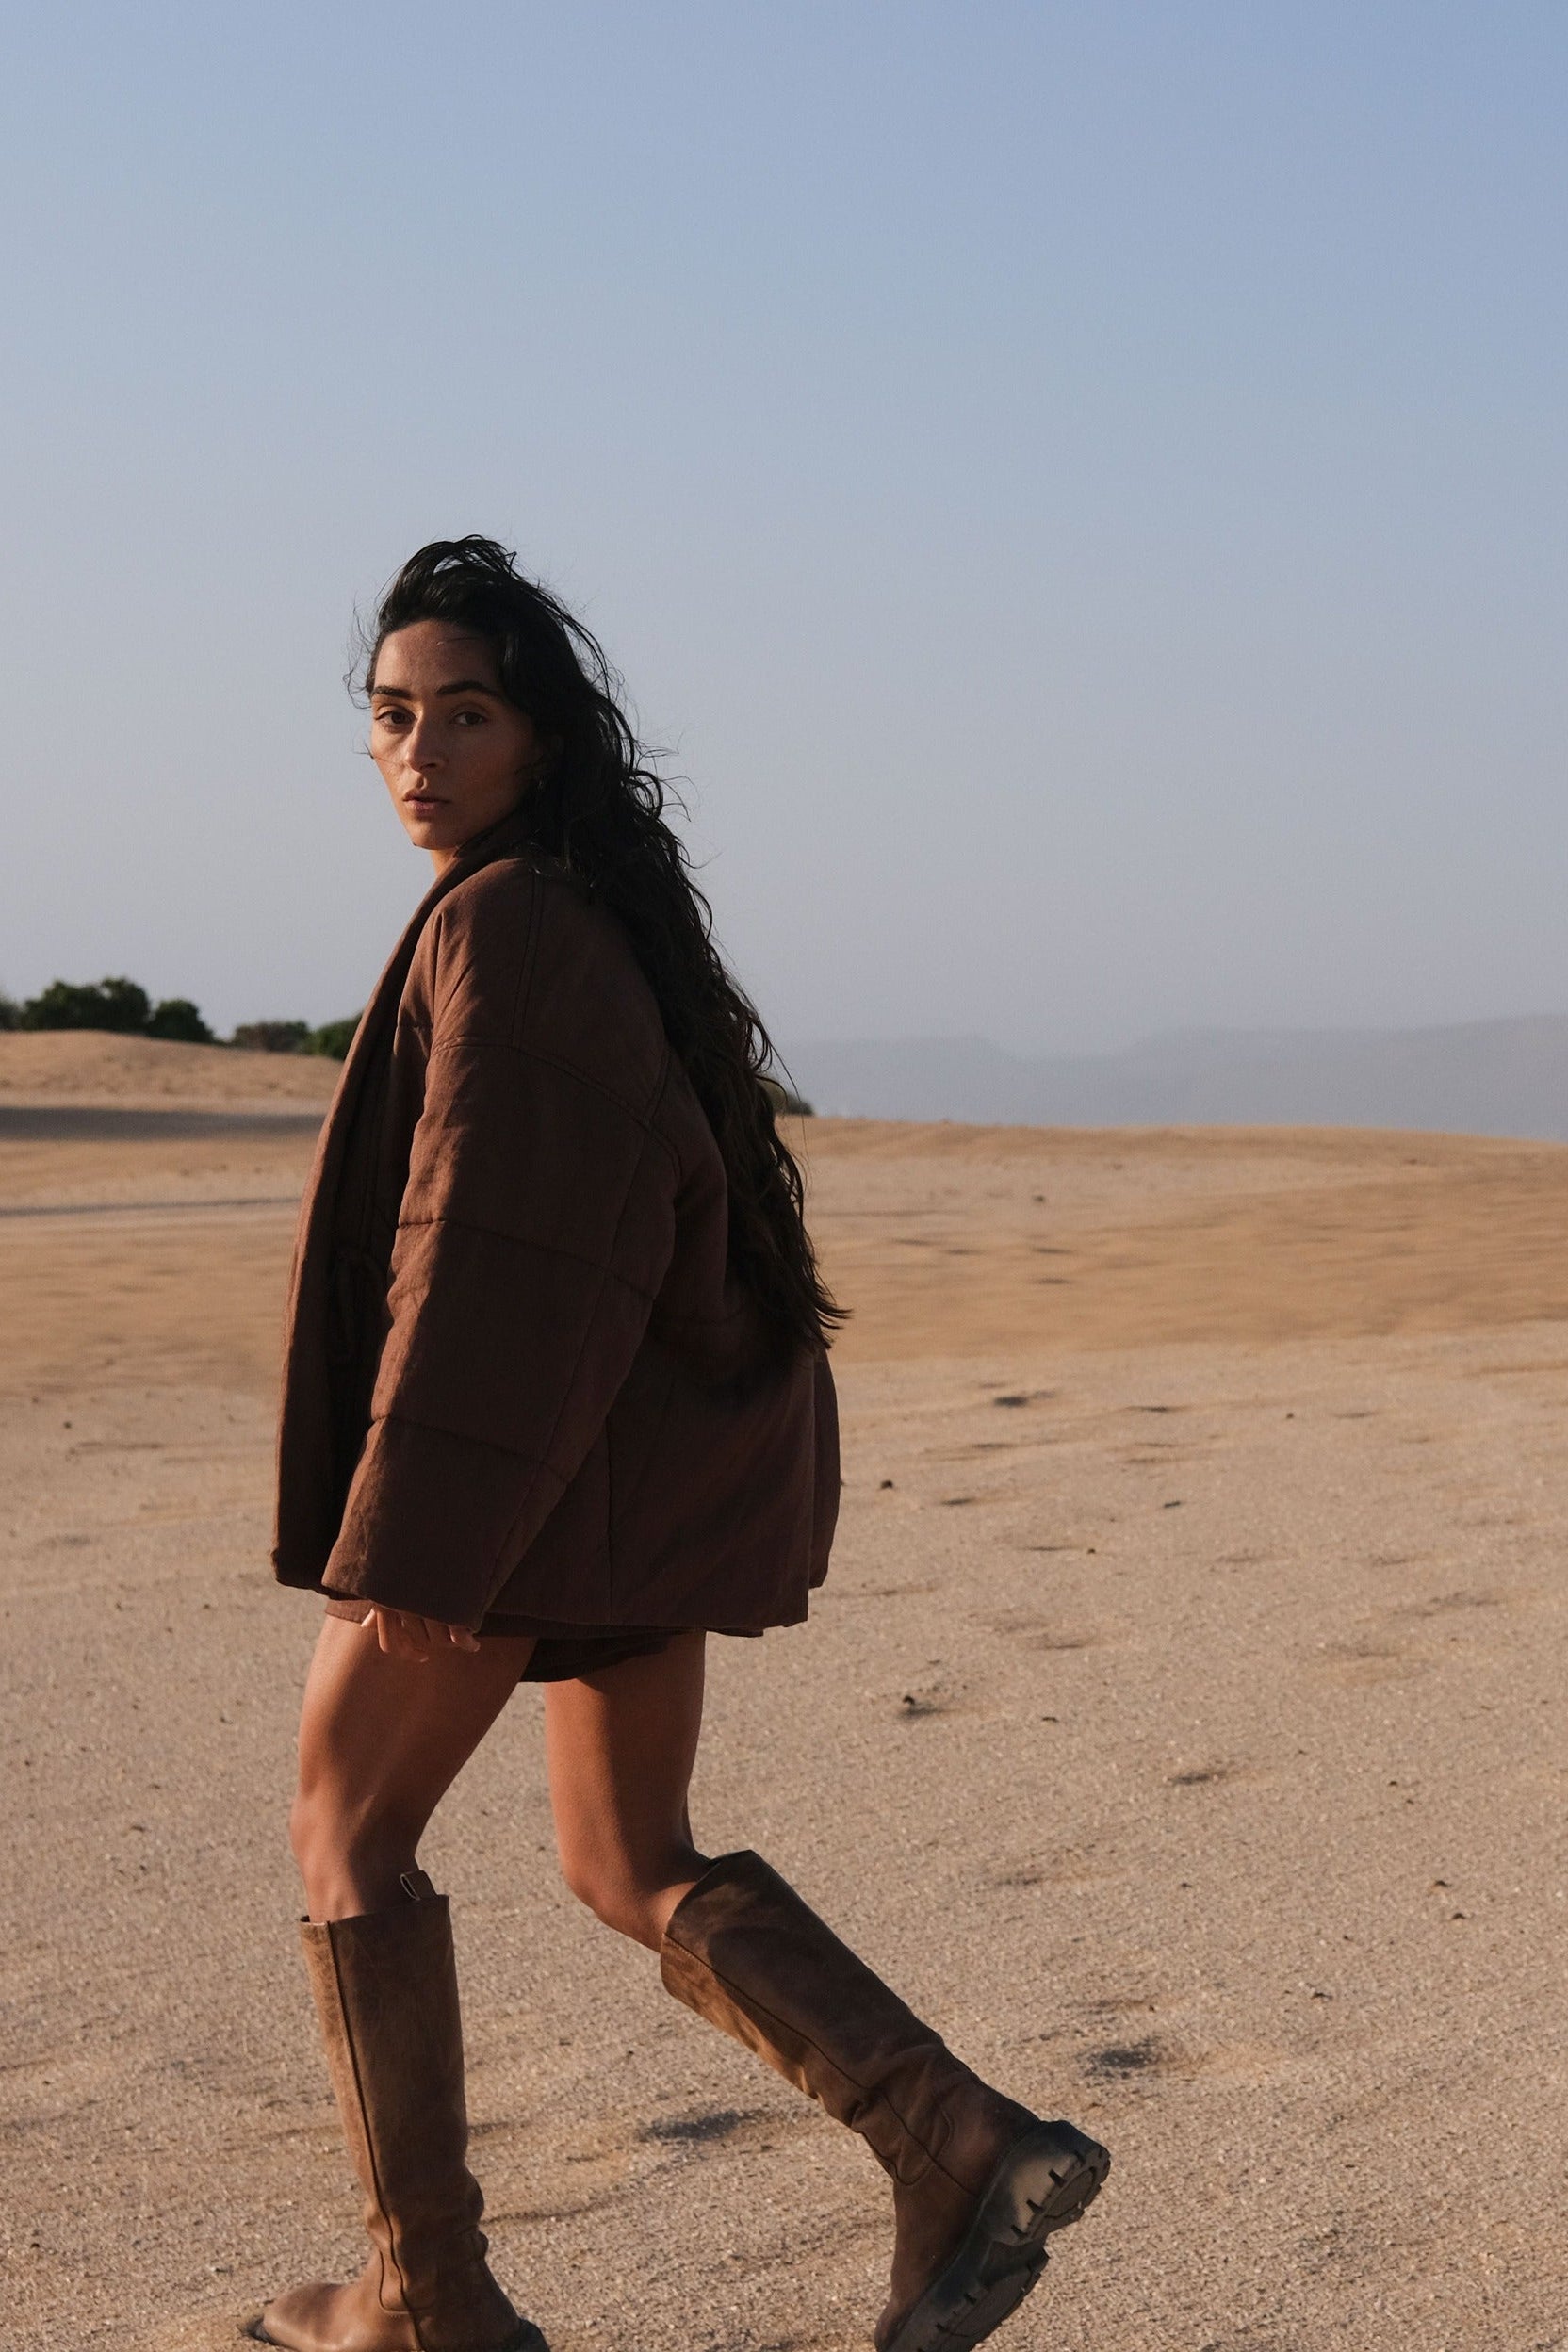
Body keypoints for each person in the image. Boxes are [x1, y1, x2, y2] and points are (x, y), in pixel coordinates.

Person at [249, 537, 1108, 2352]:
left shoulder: (511, 925)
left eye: (462, 717)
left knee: (345, 1824)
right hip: (619, 1472)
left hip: (537, 1477)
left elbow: (498, 1257)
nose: (418, 754)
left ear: (539, 740)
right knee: (626, 1854)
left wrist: (428, 1534)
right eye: (390, 719)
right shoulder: (579, 909)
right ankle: (949, 2137)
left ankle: (432, 2303)